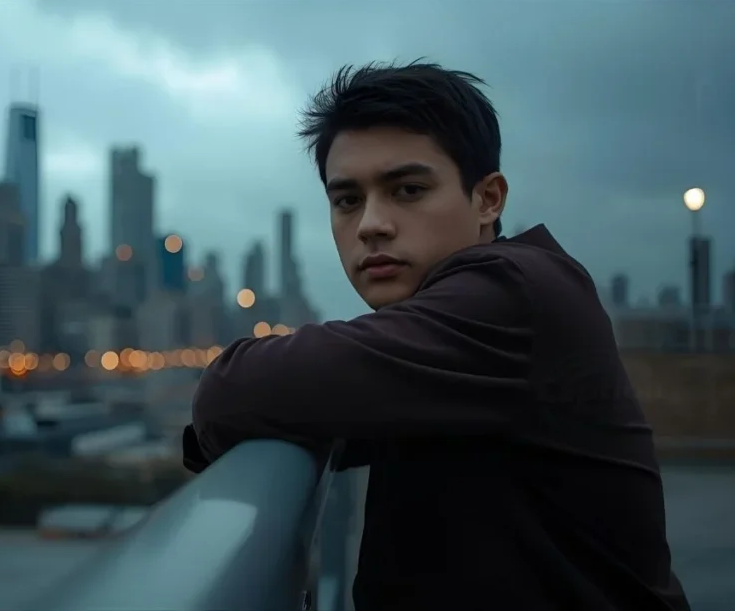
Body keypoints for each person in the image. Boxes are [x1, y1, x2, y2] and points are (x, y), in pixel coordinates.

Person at [182, 61, 690, 610]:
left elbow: (233, 389)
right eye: (347, 200)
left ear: (488, 199)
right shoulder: (457, 332)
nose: (372, 224)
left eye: (408, 189)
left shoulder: (514, 293)